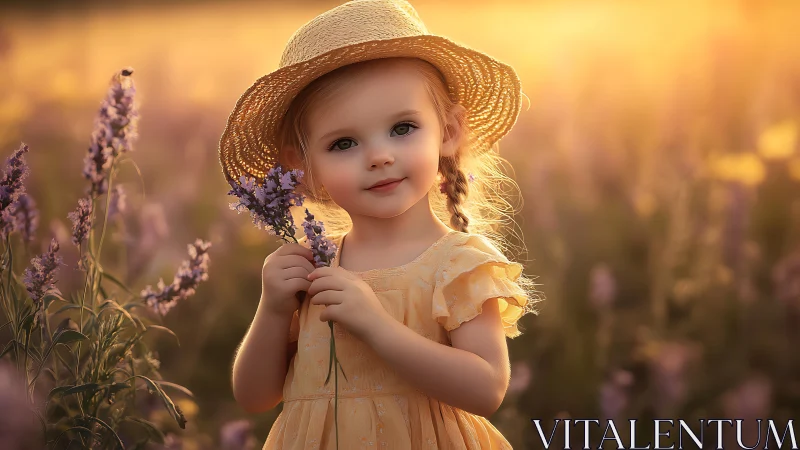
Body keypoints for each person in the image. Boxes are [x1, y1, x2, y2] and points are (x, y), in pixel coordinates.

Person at [220, 0, 541, 448]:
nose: (379, 156)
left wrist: (376, 325)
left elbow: (486, 388)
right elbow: (255, 397)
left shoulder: (458, 264)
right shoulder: (315, 266)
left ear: (447, 131)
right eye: (344, 142)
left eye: (403, 128)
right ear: (302, 166)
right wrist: (273, 310)